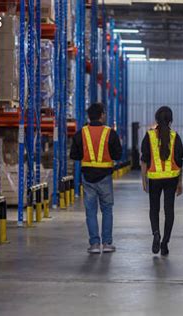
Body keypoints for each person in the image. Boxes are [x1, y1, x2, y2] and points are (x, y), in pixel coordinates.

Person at [70, 103, 123, 254]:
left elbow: (74, 155)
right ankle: (106, 243)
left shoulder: (81, 133)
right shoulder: (110, 133)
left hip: (87, 178)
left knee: (90, 211)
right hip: (105, 177)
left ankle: (94, 244)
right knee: (107, 210)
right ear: (101, 115)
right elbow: (118, 155)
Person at [140, 106, 183, 256]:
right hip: (171, 178)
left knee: (154, 209)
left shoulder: (149, 136)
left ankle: (156, 233)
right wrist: (180, 182)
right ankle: (165, 242)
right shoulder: (175, 136)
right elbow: (179, 161)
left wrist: (144, 180)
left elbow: (144, 159)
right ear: (171, 120)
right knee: (169, 210)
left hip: (154, 179)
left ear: (156, 119)